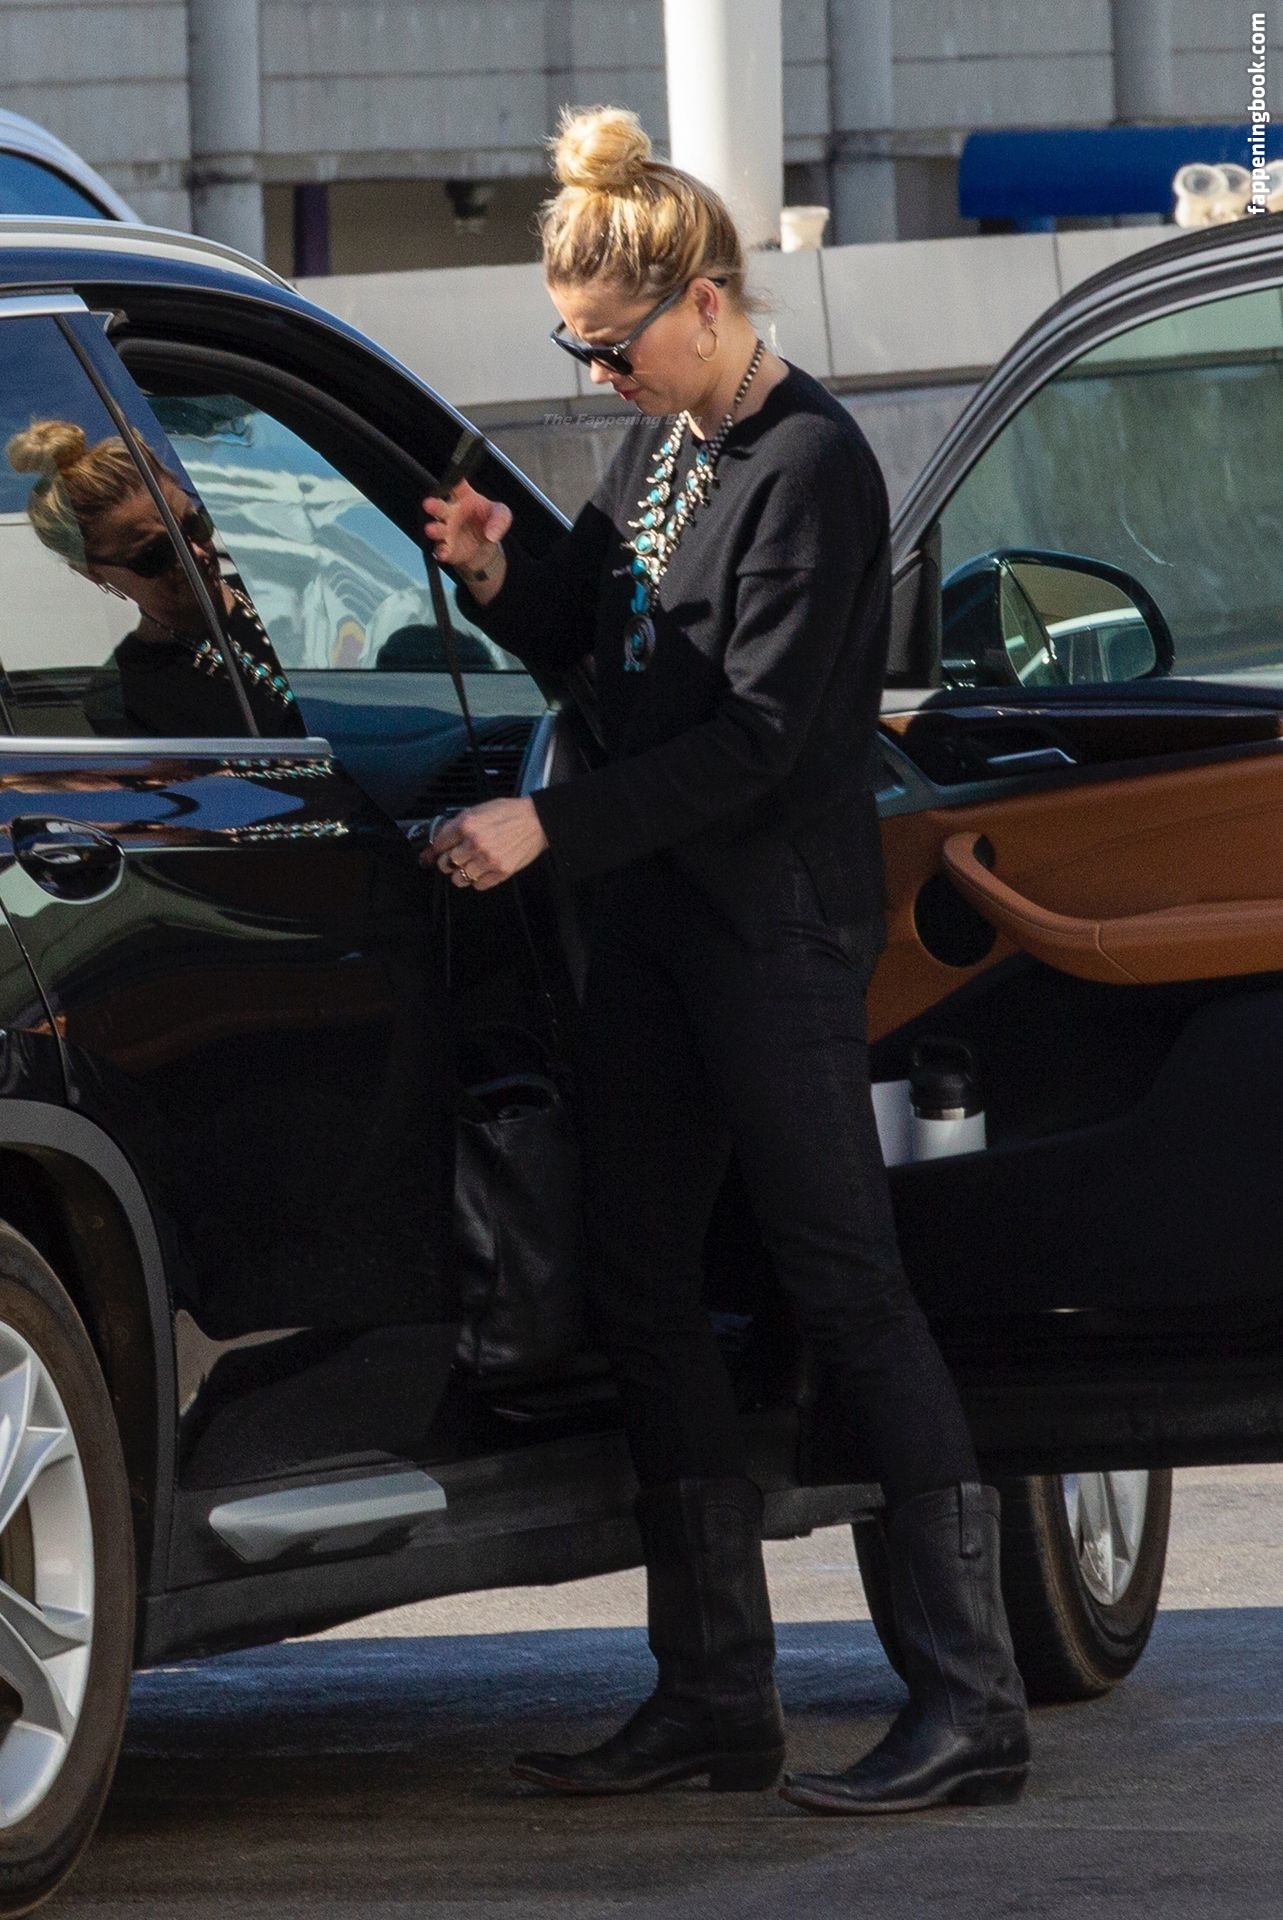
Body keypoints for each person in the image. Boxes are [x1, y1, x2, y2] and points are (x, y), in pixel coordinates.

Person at [420, 104, 1030, 1817]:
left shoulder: (807, 466)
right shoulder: (670, 448)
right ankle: (710, 1698)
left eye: (609, 346)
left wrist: (550, 826)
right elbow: (613, 655)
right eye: (573, 349)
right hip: (658, 931)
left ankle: (968, 1702)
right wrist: (499, 572)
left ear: (700, 301)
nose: (595, 375)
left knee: (843, 1282)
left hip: (768, 933)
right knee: (636, 1280)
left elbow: (753, 741)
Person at [5, 419, 297, 738]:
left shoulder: (292, 592)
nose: (195, 553)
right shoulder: (123, 698)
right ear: (92, 572)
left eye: (195, 524)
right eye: (155, 554)